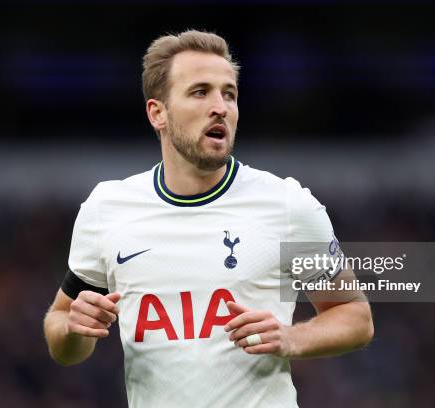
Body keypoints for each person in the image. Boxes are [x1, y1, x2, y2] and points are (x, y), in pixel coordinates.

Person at [43, 30, 373, 407]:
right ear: (158, 113)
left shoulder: (287, 205)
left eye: (228, 93)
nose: (220, 106)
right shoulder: (107, 208)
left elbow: (355, 315)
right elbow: (63, 334)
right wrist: (74, 330)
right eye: (200, 92)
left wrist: (291, 338)